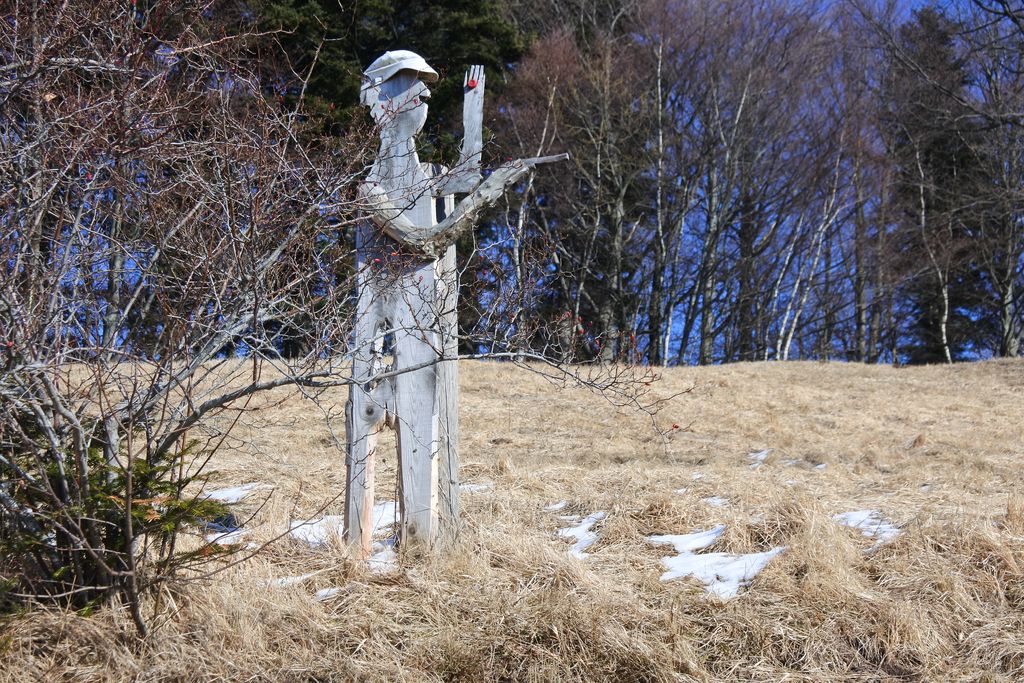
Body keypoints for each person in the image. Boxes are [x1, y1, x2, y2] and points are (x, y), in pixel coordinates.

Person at [345, 50, 565, 555]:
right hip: (381, 320)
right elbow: (424, 242)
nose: (424, 93)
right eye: (409, 83)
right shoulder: (371, 187)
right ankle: (361, 546)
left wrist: (473, 108)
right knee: (372, 418)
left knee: (430, 420)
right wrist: (487, 195)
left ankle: (425, 546)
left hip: (429, 319)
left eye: (425, 84)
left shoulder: (426, 175)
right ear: (382, 99)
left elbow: (466, 172)